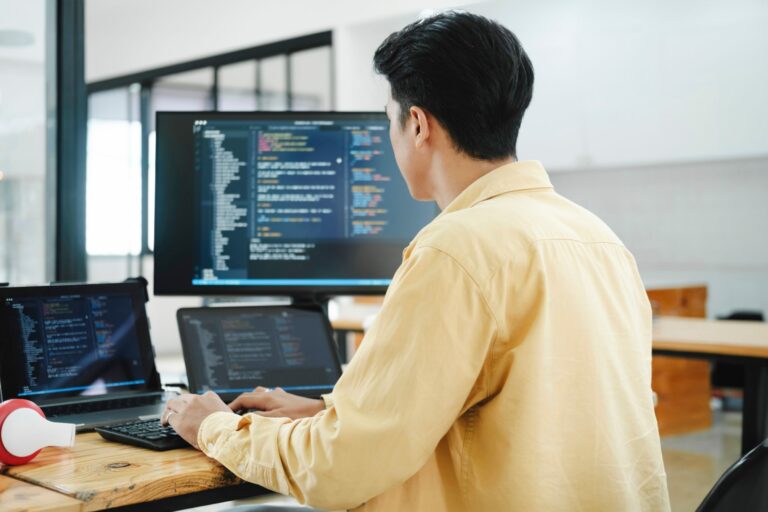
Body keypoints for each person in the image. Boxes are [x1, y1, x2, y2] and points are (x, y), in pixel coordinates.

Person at [162, 11, 671, 511]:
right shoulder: (599, 239)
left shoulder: (454, 248)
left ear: (419, 125)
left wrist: (213, 426)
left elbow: (340, 471)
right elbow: (532, 411)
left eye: (390, 122)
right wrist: (329, 411)